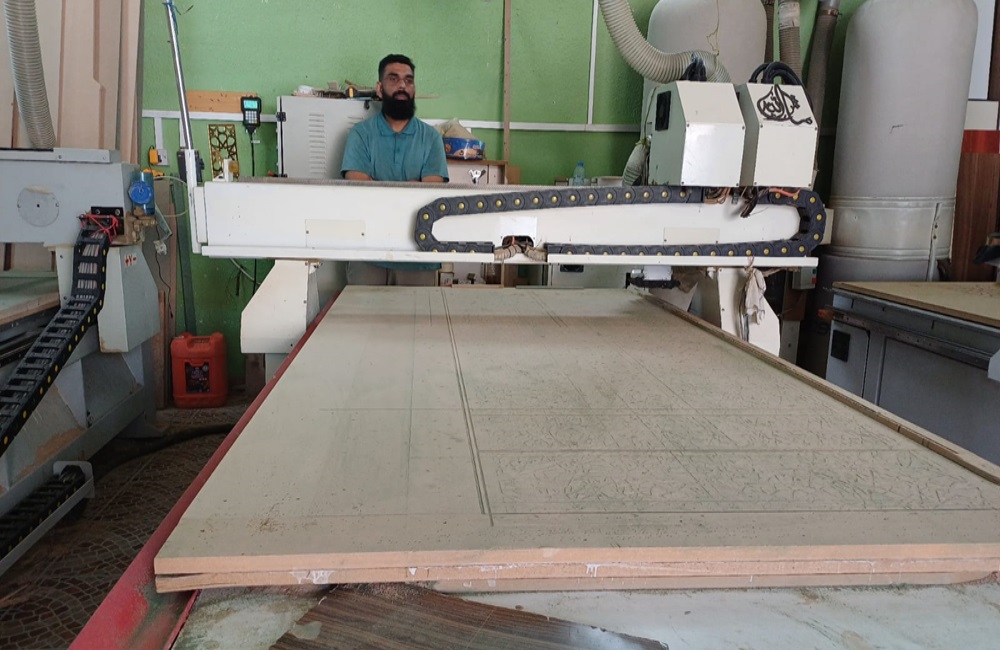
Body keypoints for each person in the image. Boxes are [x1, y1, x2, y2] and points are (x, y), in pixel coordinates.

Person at [341, 54, 448, 285]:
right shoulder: (361, 135)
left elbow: (431, 196)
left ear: (414, 89)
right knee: (362, 309)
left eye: (409, 80)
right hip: (367, 253)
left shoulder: (431, 138)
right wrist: (413, 186)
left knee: (418, 310)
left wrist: (377, 185)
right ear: (380, 89)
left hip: (419, 255)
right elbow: (358, 189)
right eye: (393, 78)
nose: (402, 86)